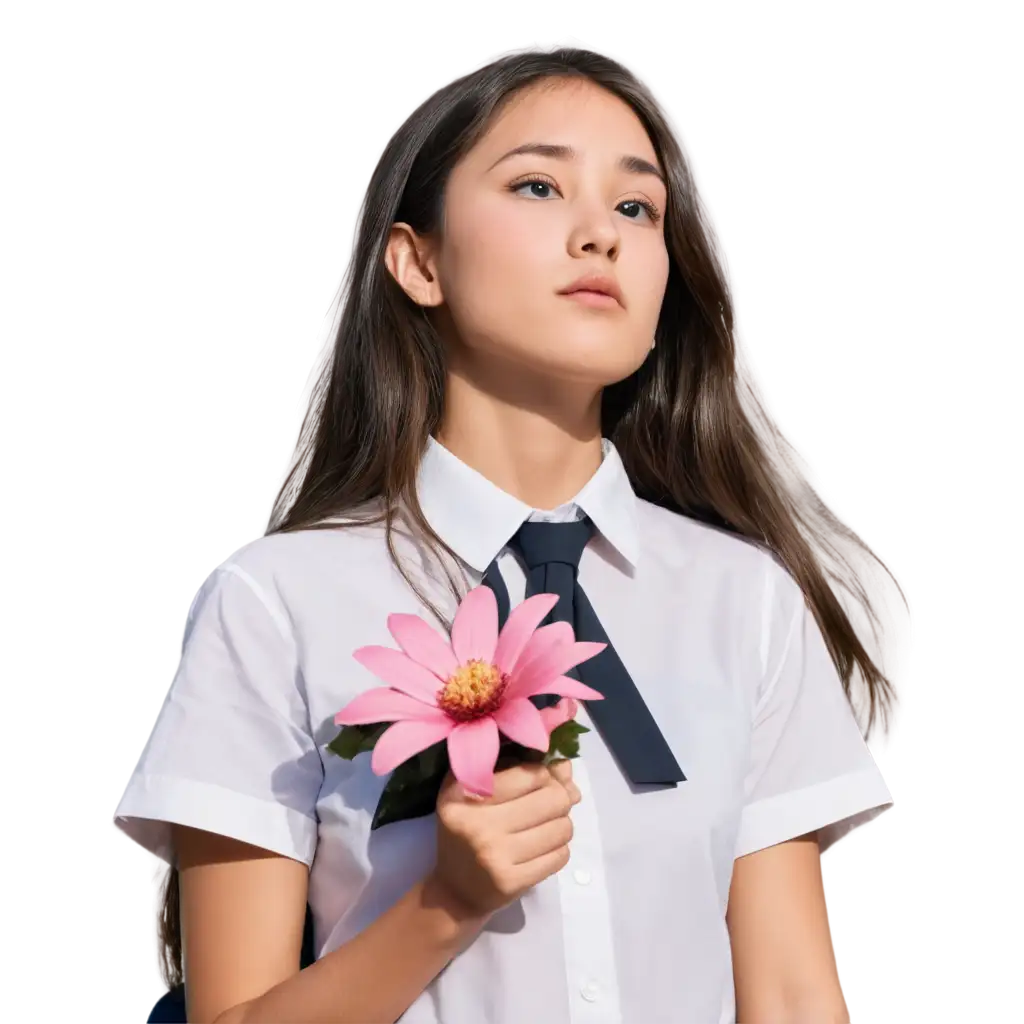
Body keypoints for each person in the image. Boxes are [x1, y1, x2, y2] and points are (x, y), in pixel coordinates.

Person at [110, 38, 901, 1024]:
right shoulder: (277, 602)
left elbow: (790, 999)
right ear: (419, 260)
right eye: (537, 187)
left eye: (634, 207)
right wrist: (444, 905)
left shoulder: (743, 600)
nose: (598, 234)